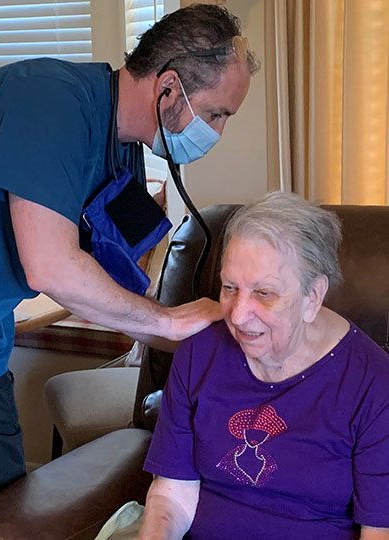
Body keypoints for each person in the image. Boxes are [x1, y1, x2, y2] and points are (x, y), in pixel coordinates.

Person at [0, 4, 259, 539]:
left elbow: (112, 269)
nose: (217, 132)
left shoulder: (124, 152)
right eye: (218, 114)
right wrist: (168, 324)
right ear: (170, 88)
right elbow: (50, 265)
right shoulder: (50, 99)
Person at [139, 191, 389, 540]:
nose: (238, 316)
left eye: (264, 294)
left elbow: (378, 530)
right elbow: (173, 495)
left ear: (313, 296)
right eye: (229, 288)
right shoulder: (199, 355)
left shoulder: (372, 383)